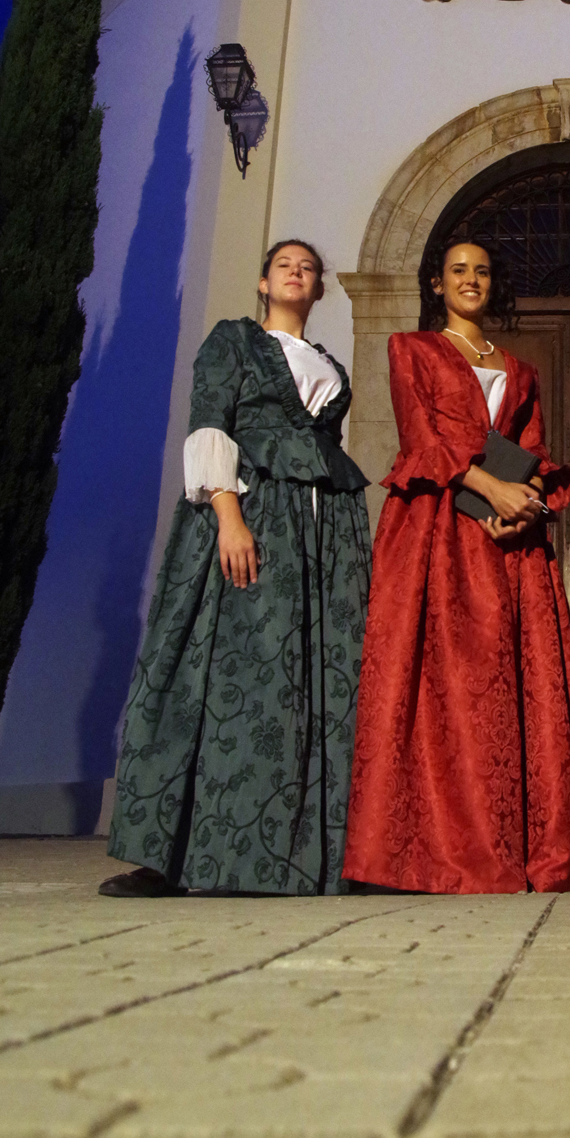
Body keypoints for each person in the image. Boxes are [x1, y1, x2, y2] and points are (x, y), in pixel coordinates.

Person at [102, 241, 371, 896]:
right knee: (226, 670)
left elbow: (321, 450)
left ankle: (304, 857)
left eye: (308, 268)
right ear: (262, 282)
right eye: (285, 265)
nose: (297, 273)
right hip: (250, 511)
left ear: (320, 289)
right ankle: (180, 855)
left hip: (322, 530)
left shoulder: (330, 366)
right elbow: (210, 425)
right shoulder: (234, 341)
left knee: (314, 677)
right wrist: (229, 518)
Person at [343, 239, 570, 894]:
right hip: (433, 529)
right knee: (438, 678)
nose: (470, 280)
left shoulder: (520, 369)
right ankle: (424, 853)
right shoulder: (411, 349)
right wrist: (491, 488)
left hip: (507, 537)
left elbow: (533, 447)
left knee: (508, 678)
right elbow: (421, 437)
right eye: (458, 270)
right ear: (437, 284)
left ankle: (521, 847)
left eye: (481, 271)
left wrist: (525, 503)